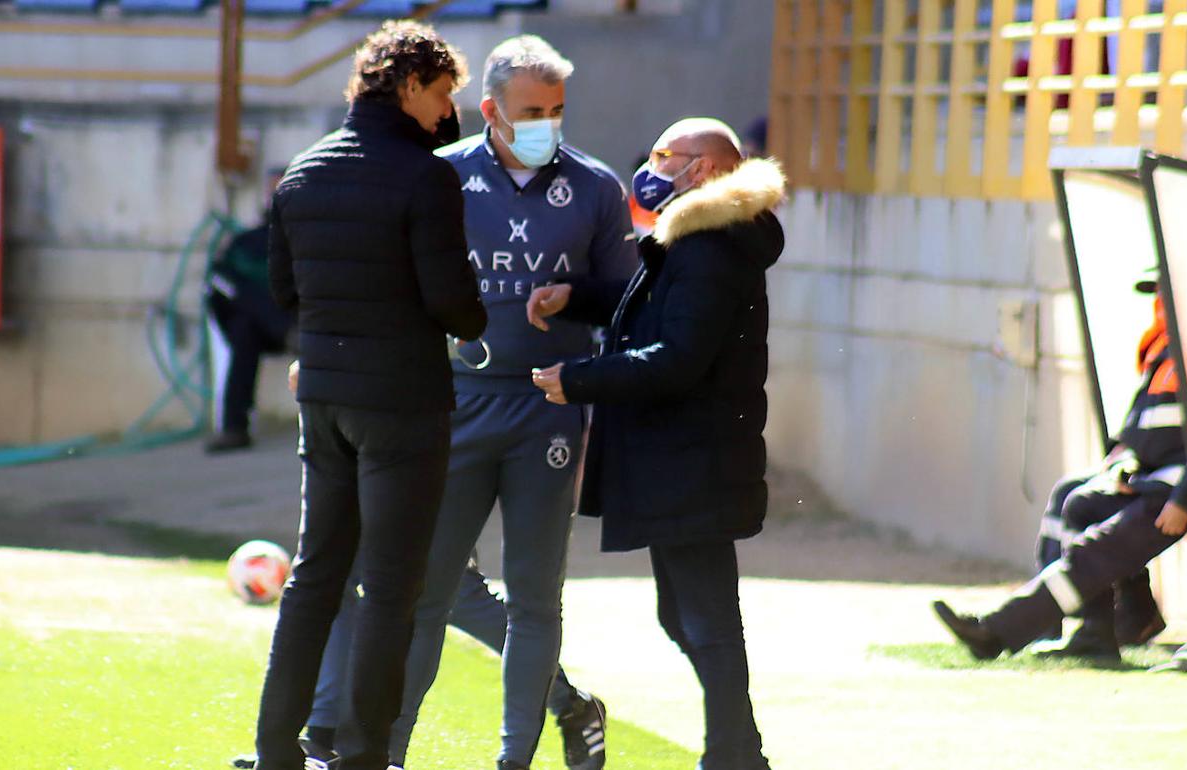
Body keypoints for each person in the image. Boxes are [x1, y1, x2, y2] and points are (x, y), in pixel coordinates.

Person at [328, 34, 635, 770]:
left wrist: (578, 299)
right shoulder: (435, 177)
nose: (547, 123)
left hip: (549, 409)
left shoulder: (593, 186)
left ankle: (513, 761)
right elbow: (390, 287)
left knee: (534, 599)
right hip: (453, 404)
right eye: (532, 110)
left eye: (558, 110)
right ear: (490, 109)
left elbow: (626, 301)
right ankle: (387, 756)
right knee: (425, 594)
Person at [250, 20, 485, 770]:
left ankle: (273, 749)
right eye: (444, 93)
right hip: (403, 404)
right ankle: (361, 755)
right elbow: (454, 304)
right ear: (409, 85)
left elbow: (285, 291)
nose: (449, 113)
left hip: (322, 399)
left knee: (316, 575)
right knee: (389, 587)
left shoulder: (304, 172)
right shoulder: (426, 178)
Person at [530, 117, 786, 770]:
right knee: (685, 616)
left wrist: (580, 381)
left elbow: (676, 356)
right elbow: (657, 305)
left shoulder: (711, 243)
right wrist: (579, 299)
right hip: (688, 456)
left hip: (694, 458)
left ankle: (733, 754)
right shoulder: (702, 238)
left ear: (702, 169)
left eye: (666, 154)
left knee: (705, 619)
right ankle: (741, 748)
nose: (653, 163)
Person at [933, 289, 1187, 662]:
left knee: (1098, 551)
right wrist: (1125, 464)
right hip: (1153, 480)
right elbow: (1147, 426)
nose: (1160, 302)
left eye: (1167, 291)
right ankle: (1095, 632)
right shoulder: (1168, 349)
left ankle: (996, 631)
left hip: (1175, 492)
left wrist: (1184, 499)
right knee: (1080, 503)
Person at [204, 169, 295, 453]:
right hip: (271, 330)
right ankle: (234, 428)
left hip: (304, 320)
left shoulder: (310, 238)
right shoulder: (248, 242)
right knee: (244, 326)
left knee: (248, 323)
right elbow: (220, 281)